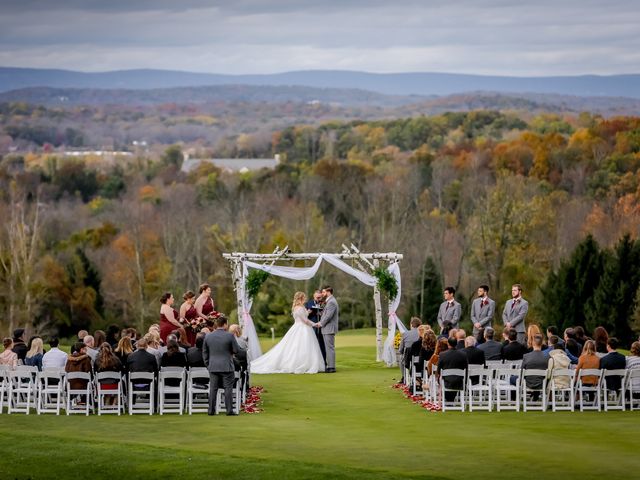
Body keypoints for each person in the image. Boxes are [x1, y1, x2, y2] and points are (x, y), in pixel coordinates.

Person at [251, 292, 325, 374]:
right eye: (304, 297)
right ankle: (299, 364)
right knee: (300, 346)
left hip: (299, 327)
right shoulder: (299, 308)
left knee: (300, 347)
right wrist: (315, 324)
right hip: (302, 328)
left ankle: (304, 364)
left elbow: (302, 316)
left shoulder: (298, 307)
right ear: (300, 298)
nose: (305, 299)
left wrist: (307, 312)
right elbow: (305, 320)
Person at [203, 315, 239, 415]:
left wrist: (208, 364)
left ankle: (211, 410)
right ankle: (229, 410)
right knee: (228, 388)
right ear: (224, 324)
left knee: (213, 389)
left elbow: (205, 352)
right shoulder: (230, 336)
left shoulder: (208, 336)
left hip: (213, 366)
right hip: (227, 366)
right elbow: (236, 350)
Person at [315, 285, 340, 373]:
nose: (322, 294)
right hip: (327, 328)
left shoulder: (331, 302)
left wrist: (321, 323)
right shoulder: (329, 301)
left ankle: (331, 367)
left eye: (323, 292)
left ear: (328, 292)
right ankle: (330, 366)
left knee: (330, 348)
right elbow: (327, 314)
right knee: (329, 347)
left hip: (329, 328)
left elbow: (329, 316)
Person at [305, 289, 326, 364]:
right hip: (312, 327)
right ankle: (312, 362)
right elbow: (304, 316)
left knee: (322, 345)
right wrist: (309, 312)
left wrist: (322, 314)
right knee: (312, 345)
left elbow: (327, 314)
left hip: (322, 327)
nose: (318, 299)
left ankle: (323, 362)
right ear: (314, 296)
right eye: (317, 297)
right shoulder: (308, 303)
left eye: (320, 297)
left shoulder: (324, 303)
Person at [399, 317, 422, 382]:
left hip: (407, 358)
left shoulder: (405, 334)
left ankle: (404, 376)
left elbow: (401, 349)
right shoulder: (422, 334)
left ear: (411, 325)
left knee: (401, 359)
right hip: (420, 358)